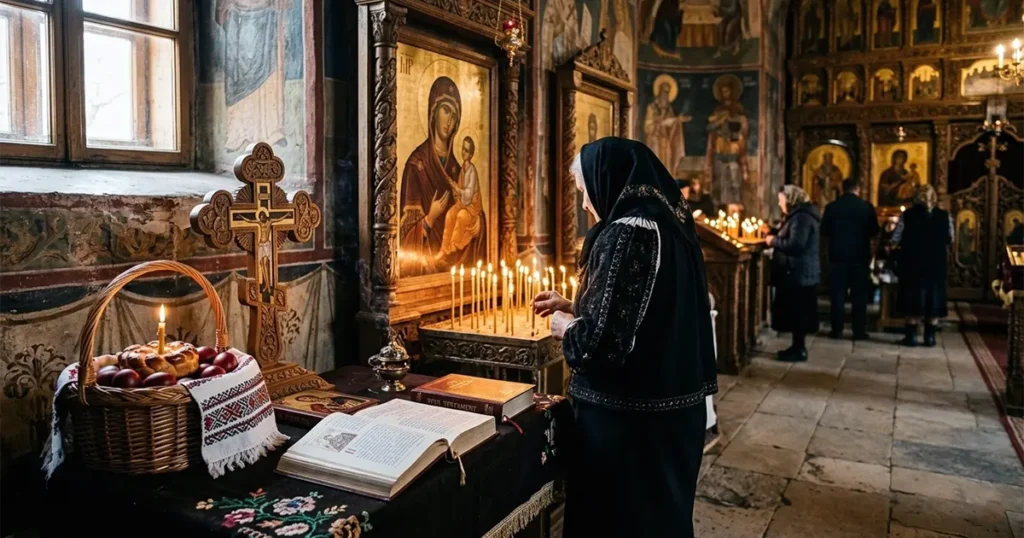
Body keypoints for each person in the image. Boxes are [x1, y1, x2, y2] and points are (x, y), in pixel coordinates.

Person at [533, 137, 717, 538]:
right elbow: (650, 312)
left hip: (630, 426)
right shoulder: (666, 224)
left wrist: (569, 326)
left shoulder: (626, 232)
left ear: (607, 179)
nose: (584, 203)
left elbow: (600, 348)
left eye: (583, 191)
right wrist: (578, 303)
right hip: (669, 414)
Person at [891, 185, 952, 347]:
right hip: (935, 264)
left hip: (913, 264)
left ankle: (911, 337)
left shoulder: (908, 215)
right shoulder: (945, 216)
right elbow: (950, 238)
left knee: (912, 298)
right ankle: (929, 337)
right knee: (934, 298)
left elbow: (895, 237)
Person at [766, 185, 821, 362]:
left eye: (781, 200)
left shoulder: (801, 218)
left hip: (798, 273)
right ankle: (797, 347)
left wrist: (773, 240)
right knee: (797, 313)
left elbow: (796, 245)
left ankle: (799, 349)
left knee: (798, 314)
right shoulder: (798, 216)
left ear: (790, 200)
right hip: (798, 272)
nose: (780, 203)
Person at [821, 179, 879, 340]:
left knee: (837, 295)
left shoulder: (832, 207)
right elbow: (874, 231)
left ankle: (836, 329)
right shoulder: (866, 207)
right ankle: (858, 330)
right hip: (859, 257)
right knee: (859, 295)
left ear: (842, 188)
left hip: (837, 256)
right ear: (858, 189)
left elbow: (824, 231)